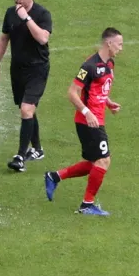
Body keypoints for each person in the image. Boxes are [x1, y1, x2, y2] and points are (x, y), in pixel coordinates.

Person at [44, 28, 123, 216]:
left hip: (97, 119)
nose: (121, 48)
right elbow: (72, 92)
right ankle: (87, 205)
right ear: (108, 43)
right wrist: (87, 112)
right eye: (119, 44)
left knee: (95, 162)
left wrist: (108, 102)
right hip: (87, 121)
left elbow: (99, 90)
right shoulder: (88, 66)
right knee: (103, 160)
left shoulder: (109, 63)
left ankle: (54, 176)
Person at [0, 0, 53, 172]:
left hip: (37, 69)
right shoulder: (10, 13)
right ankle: (38, 149)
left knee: (26, 109)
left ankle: (20, 157)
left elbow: (43, 38)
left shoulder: (42, 14)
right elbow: (4, 38)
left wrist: (26, 17)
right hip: (17, 69)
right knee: (27, 110)